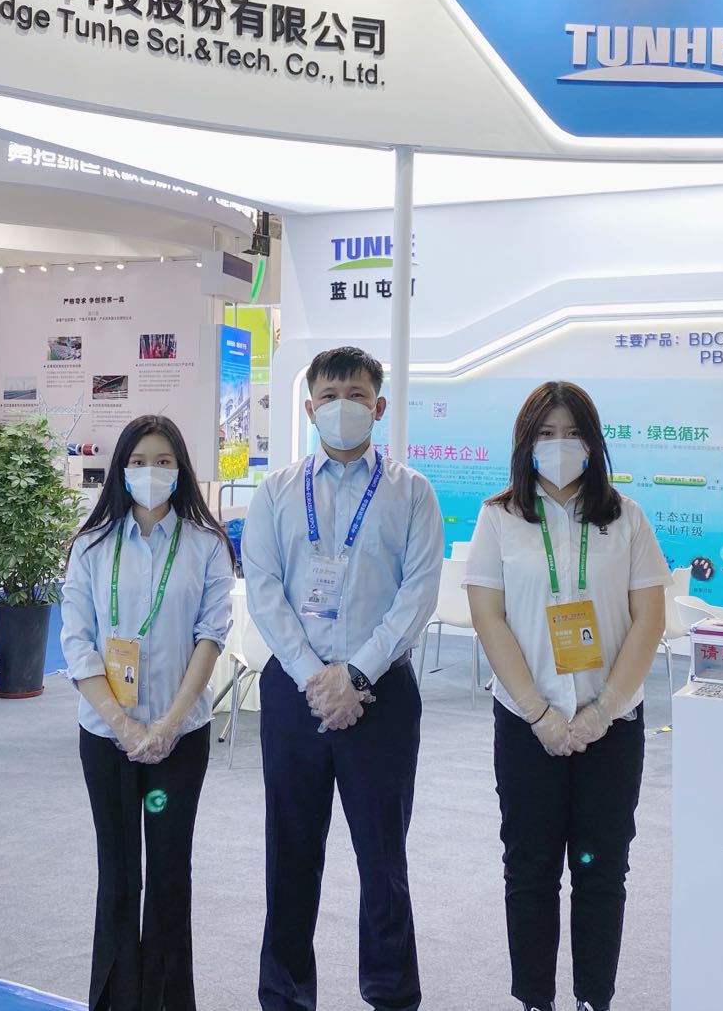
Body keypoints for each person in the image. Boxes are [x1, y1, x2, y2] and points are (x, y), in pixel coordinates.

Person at [242, 346, 444, 1011]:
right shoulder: (276, 491)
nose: (342, 407)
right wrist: (315, 677)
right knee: (290, 852)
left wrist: (355, 673)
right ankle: (284, 994)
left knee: (383, 858)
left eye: (355, 395)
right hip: (294, 692)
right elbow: (264, 590)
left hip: (381, 694)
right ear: (309, 409)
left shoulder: (412, 492)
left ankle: (391, 993)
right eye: (329, 396)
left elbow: (417, 593)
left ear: (378, 407)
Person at [464, 382, 670, 1011]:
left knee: (600, 870)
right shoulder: (499, 517)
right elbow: (488, 616)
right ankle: (535, 999)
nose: (559, 445)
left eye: (572, 433)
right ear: (525, 444)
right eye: (546, 434)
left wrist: (602, 711)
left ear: (593, 443)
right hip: (527, 723)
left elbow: (650, 619)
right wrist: (540, 713)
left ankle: (592, 999)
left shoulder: (626, 517)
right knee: (529, 870)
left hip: (612, 725)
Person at [59, 414, 236, 1011]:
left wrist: (165, 726)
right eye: (139, 462)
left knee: (168, 874)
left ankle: (167, 1001)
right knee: (117, 874)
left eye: (164, 462)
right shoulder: (90, 545)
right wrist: (124, 725)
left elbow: (211, 637)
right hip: (106, 737)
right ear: (121, 470)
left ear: (181, 470)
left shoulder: (207, 545)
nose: (151, 472)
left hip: (177, 742)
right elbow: (76, 642)